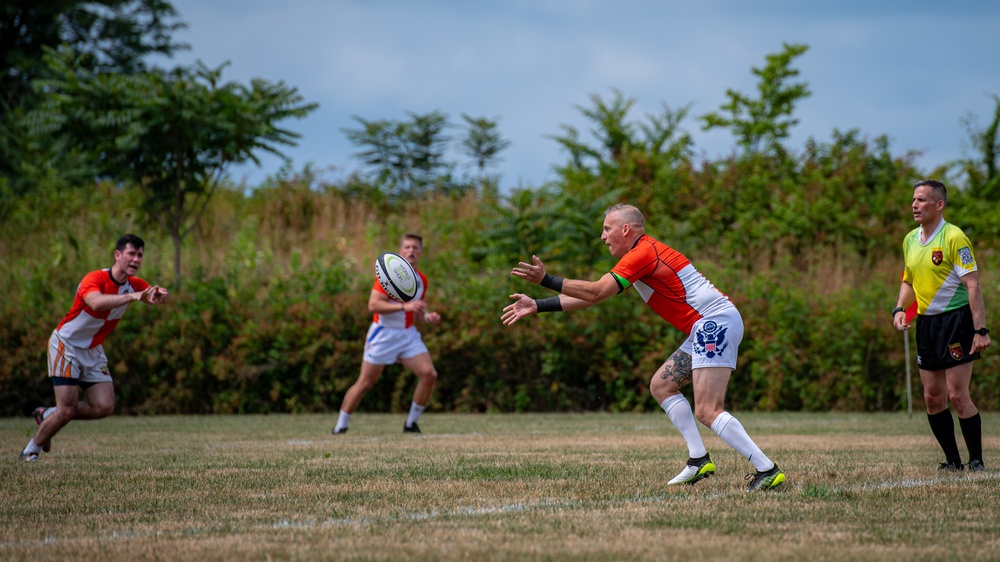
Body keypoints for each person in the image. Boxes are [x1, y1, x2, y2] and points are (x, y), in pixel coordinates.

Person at [502, 204, 785, 492]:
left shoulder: (642, 254)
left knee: (708, 410)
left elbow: (596, 291)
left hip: (713, 324)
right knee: (662, 386)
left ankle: (767, 469)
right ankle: (699, 459)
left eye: (607, 229)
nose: (602, 236)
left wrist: (546, 281)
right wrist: (538, 305)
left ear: (626, 230)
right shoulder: (641, 254)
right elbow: (595, 297)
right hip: (708, 326)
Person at [19, 234, 170, 461]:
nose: (136, 259)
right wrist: (133, 296)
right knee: (67, 410)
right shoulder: (95, 278)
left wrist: (160, 296)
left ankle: (48, 414)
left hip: (93, 349)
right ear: (117, 255)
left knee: (103, 407)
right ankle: (31, 450)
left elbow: (152, 297)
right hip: (66, 345)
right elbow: (96, 302)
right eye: (131, 253)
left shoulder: (135, 286)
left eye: (140, 255)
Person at [892, 179, 990, 472]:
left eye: (922, 200)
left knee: (958, 396)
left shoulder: (954, 237)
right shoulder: (910, 239)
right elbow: (909, 279)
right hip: (926, 325)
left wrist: (980, 330)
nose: (914, 205)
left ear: (939, 204)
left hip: (956, 321)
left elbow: (972, 285)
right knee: (932, 398)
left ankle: (976, 460)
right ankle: (952, 461)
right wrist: (900, 309)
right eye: (913, 200)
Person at [333, 234, 442, 434]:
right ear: (400, 251)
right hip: (383, 334)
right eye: (407, 247)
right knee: (366, 383)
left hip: (407, 335)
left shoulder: (421, 280)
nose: (411, 251)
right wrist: (404, 306)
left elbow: (416, 313)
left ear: (421, 252)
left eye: (415, 247)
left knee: (429, 374)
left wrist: (428, 317)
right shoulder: (388, 276)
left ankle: (411, 424)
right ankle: (340, 426)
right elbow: (373, 305)